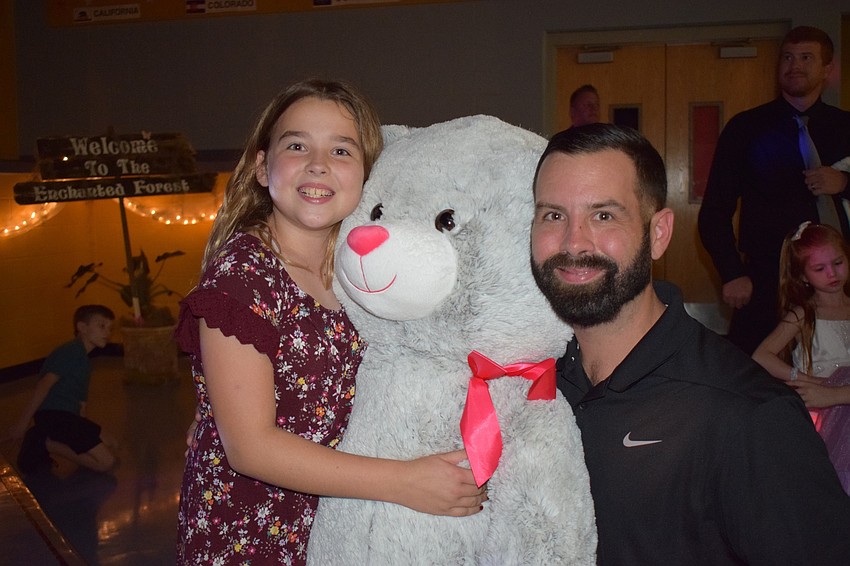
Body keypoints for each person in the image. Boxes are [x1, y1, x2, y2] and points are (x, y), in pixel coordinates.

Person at [175, 78, 486, 565]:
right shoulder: (244, 276)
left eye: (342, 150)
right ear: (262, 166)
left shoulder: (358, 272)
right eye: (296, 145)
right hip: (251, 535)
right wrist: (406, 481)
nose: (317, 164)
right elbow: (250, 448)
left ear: (368, 174)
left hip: (336, 527)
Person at [531, 122, 850, 565]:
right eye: (553, 215)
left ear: (658, 233)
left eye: (604, 215)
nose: (573, 242)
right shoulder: (526, 388)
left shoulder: (749, 415)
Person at [698, 25, 850, 355]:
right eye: (787, 57)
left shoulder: (846, 128)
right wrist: (732, 273)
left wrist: (845, 184)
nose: (794, 65)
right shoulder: (746, 128)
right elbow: (713, 212)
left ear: (826, 68)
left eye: (806, 57)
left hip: (838, 282)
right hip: (765, 282)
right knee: (755, 382)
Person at [752, 221, 850, 493]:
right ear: (804, 277)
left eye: (838, 262)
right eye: (820, 269)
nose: (832, 273)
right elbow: (762, 355)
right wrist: (802, 378)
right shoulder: (804, 314)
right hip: (820, 407)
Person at [9, 304, 117, 474]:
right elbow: (44, 386)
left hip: (68, 417)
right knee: (106, 462)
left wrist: (83, 429)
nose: (107, 332)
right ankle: (45, 442)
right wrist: (23, 422)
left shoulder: (84, 360)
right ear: (82, 327)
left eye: (110, 328)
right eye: (102, 326)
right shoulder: (70, 351)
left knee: (112, 443)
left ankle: (52, 439)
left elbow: (81, 402)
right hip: (54, 416)